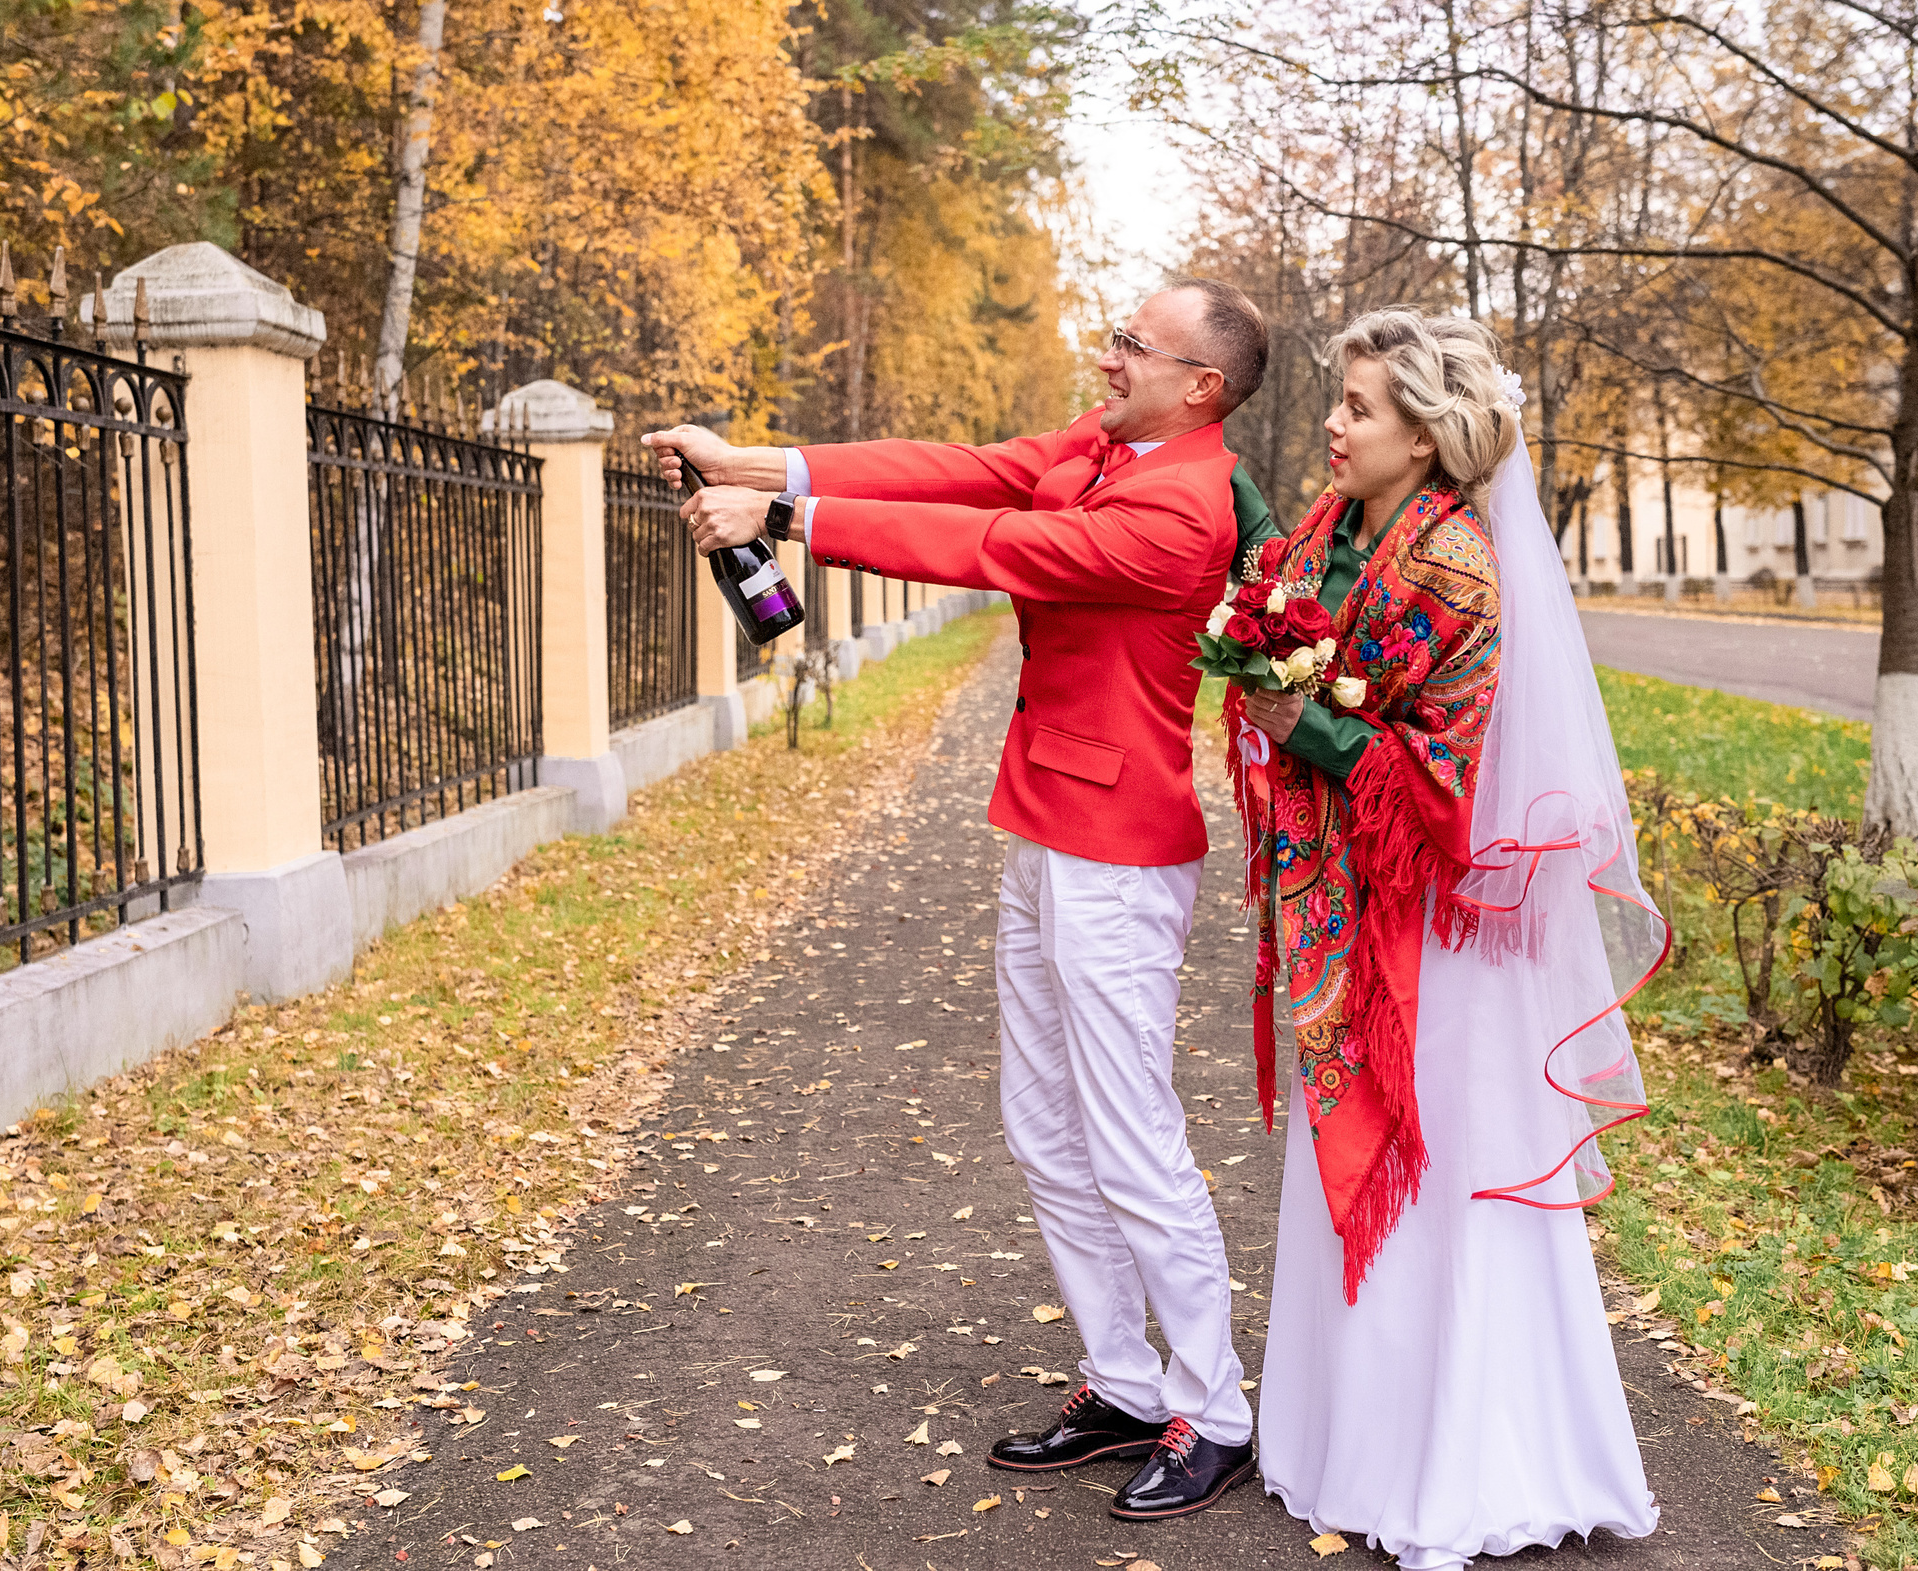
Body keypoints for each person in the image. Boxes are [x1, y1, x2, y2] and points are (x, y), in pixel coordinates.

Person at [645, 279, 1279, 1523]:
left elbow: (994, 548)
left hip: (1120, 854)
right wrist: (753, 455)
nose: (1106, 361)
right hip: (1045, 827)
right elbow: (963, 471)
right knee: (1043, 1127)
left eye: (1131, 348)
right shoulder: (1106, 446)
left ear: (1201, 384)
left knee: (1131, 1137)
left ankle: (1218, 1410)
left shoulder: (1182, 504)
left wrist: (782, 511)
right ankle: (1123, 1381)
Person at [1232, 308, 1663, 1565]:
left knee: (1445, 1179)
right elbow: (1282, 635)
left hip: (1438, 934)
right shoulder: (1324, 533)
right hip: (1340, 904)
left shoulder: (1457, 568)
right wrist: (1267, 686)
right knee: (1344, 1168)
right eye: (1339, 401)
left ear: (1424, 438)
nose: (1332, 422)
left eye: (1358, 408)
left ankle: (1470, 1463)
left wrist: (1301, 721)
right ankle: (1344, 1446)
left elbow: (1445, 787)